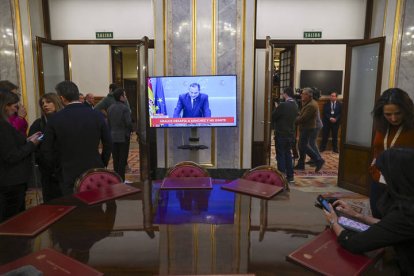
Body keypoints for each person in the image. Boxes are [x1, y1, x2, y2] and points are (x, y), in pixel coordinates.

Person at [323, 148, 414, 275]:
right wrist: (357, 215)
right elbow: (389, 226)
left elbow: (354, 243)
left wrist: (333, 222)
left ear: (398, 176)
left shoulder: (406, 213)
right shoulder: (408, 201)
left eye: (384, 173)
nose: (381, 177)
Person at [41, 81, 112, 195]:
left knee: (73, 208)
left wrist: (57, 168)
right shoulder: (97, 115)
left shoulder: (55, 119)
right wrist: (102, 162)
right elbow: (108, 143)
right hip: (93, 170)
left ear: (62, 98)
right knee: (94, 206)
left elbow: (46, 149)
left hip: (67, 172)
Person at [369, 88, 414, 218]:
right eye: (388, 114)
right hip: (379, 181)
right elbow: (377, 150)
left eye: (398, 113)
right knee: (377, 217)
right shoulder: (382, 125)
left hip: (404, 187)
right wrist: (374, 170)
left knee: (397, 224)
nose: (393, 118)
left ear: (407, 110)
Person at [0, 91, 42, 222]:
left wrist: (27, 140)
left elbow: (11, 145)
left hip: (10, 179)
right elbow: (11, 155)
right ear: (4, 106)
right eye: (12, 105)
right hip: (11, 180)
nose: (15, 108)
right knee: (13, 220)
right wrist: (32, 144)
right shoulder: (3, 125)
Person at [28, 93, 64, 202]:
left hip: (64, 168)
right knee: (50, 202)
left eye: (48, 102)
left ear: (56, 103)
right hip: (47, 170)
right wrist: (42, 160)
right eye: (42, 103)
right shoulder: (38, 124)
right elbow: (32, 146)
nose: (45, 105)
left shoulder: (65, 121)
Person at [271, 87, 298, 183]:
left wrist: (277, 107)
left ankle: (281, 176)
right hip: (291, 134)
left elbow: (273, 116)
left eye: (283, 94)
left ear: (286, 94)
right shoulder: (295, 104)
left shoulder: (283, 105)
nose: (282, 95)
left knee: (281, 155)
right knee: (288, 154)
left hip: (281, 134)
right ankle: (290, 177)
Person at [295, 88, 325, 172]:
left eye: (303, 94)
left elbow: (303, 118)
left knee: (303, 146)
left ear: (309, 95)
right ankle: (301, 164)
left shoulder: (311, 105)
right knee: (301, 146)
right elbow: (302, 114)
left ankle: (318, 160)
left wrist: (292, 120)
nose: (301, 95)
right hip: (305, 128)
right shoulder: (308, 103)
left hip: (307, 128)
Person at [107, 88, 132, 181]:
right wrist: (131, 130)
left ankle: (116, 180)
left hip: (112, 137)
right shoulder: (125, 108)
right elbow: (128, 123)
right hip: (123, 137)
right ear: (121, 97)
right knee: (122, 160)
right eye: (124, 95)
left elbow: (108, 124)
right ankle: (121, 180)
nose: (125, 97)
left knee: (116, 160)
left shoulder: (109, 108)